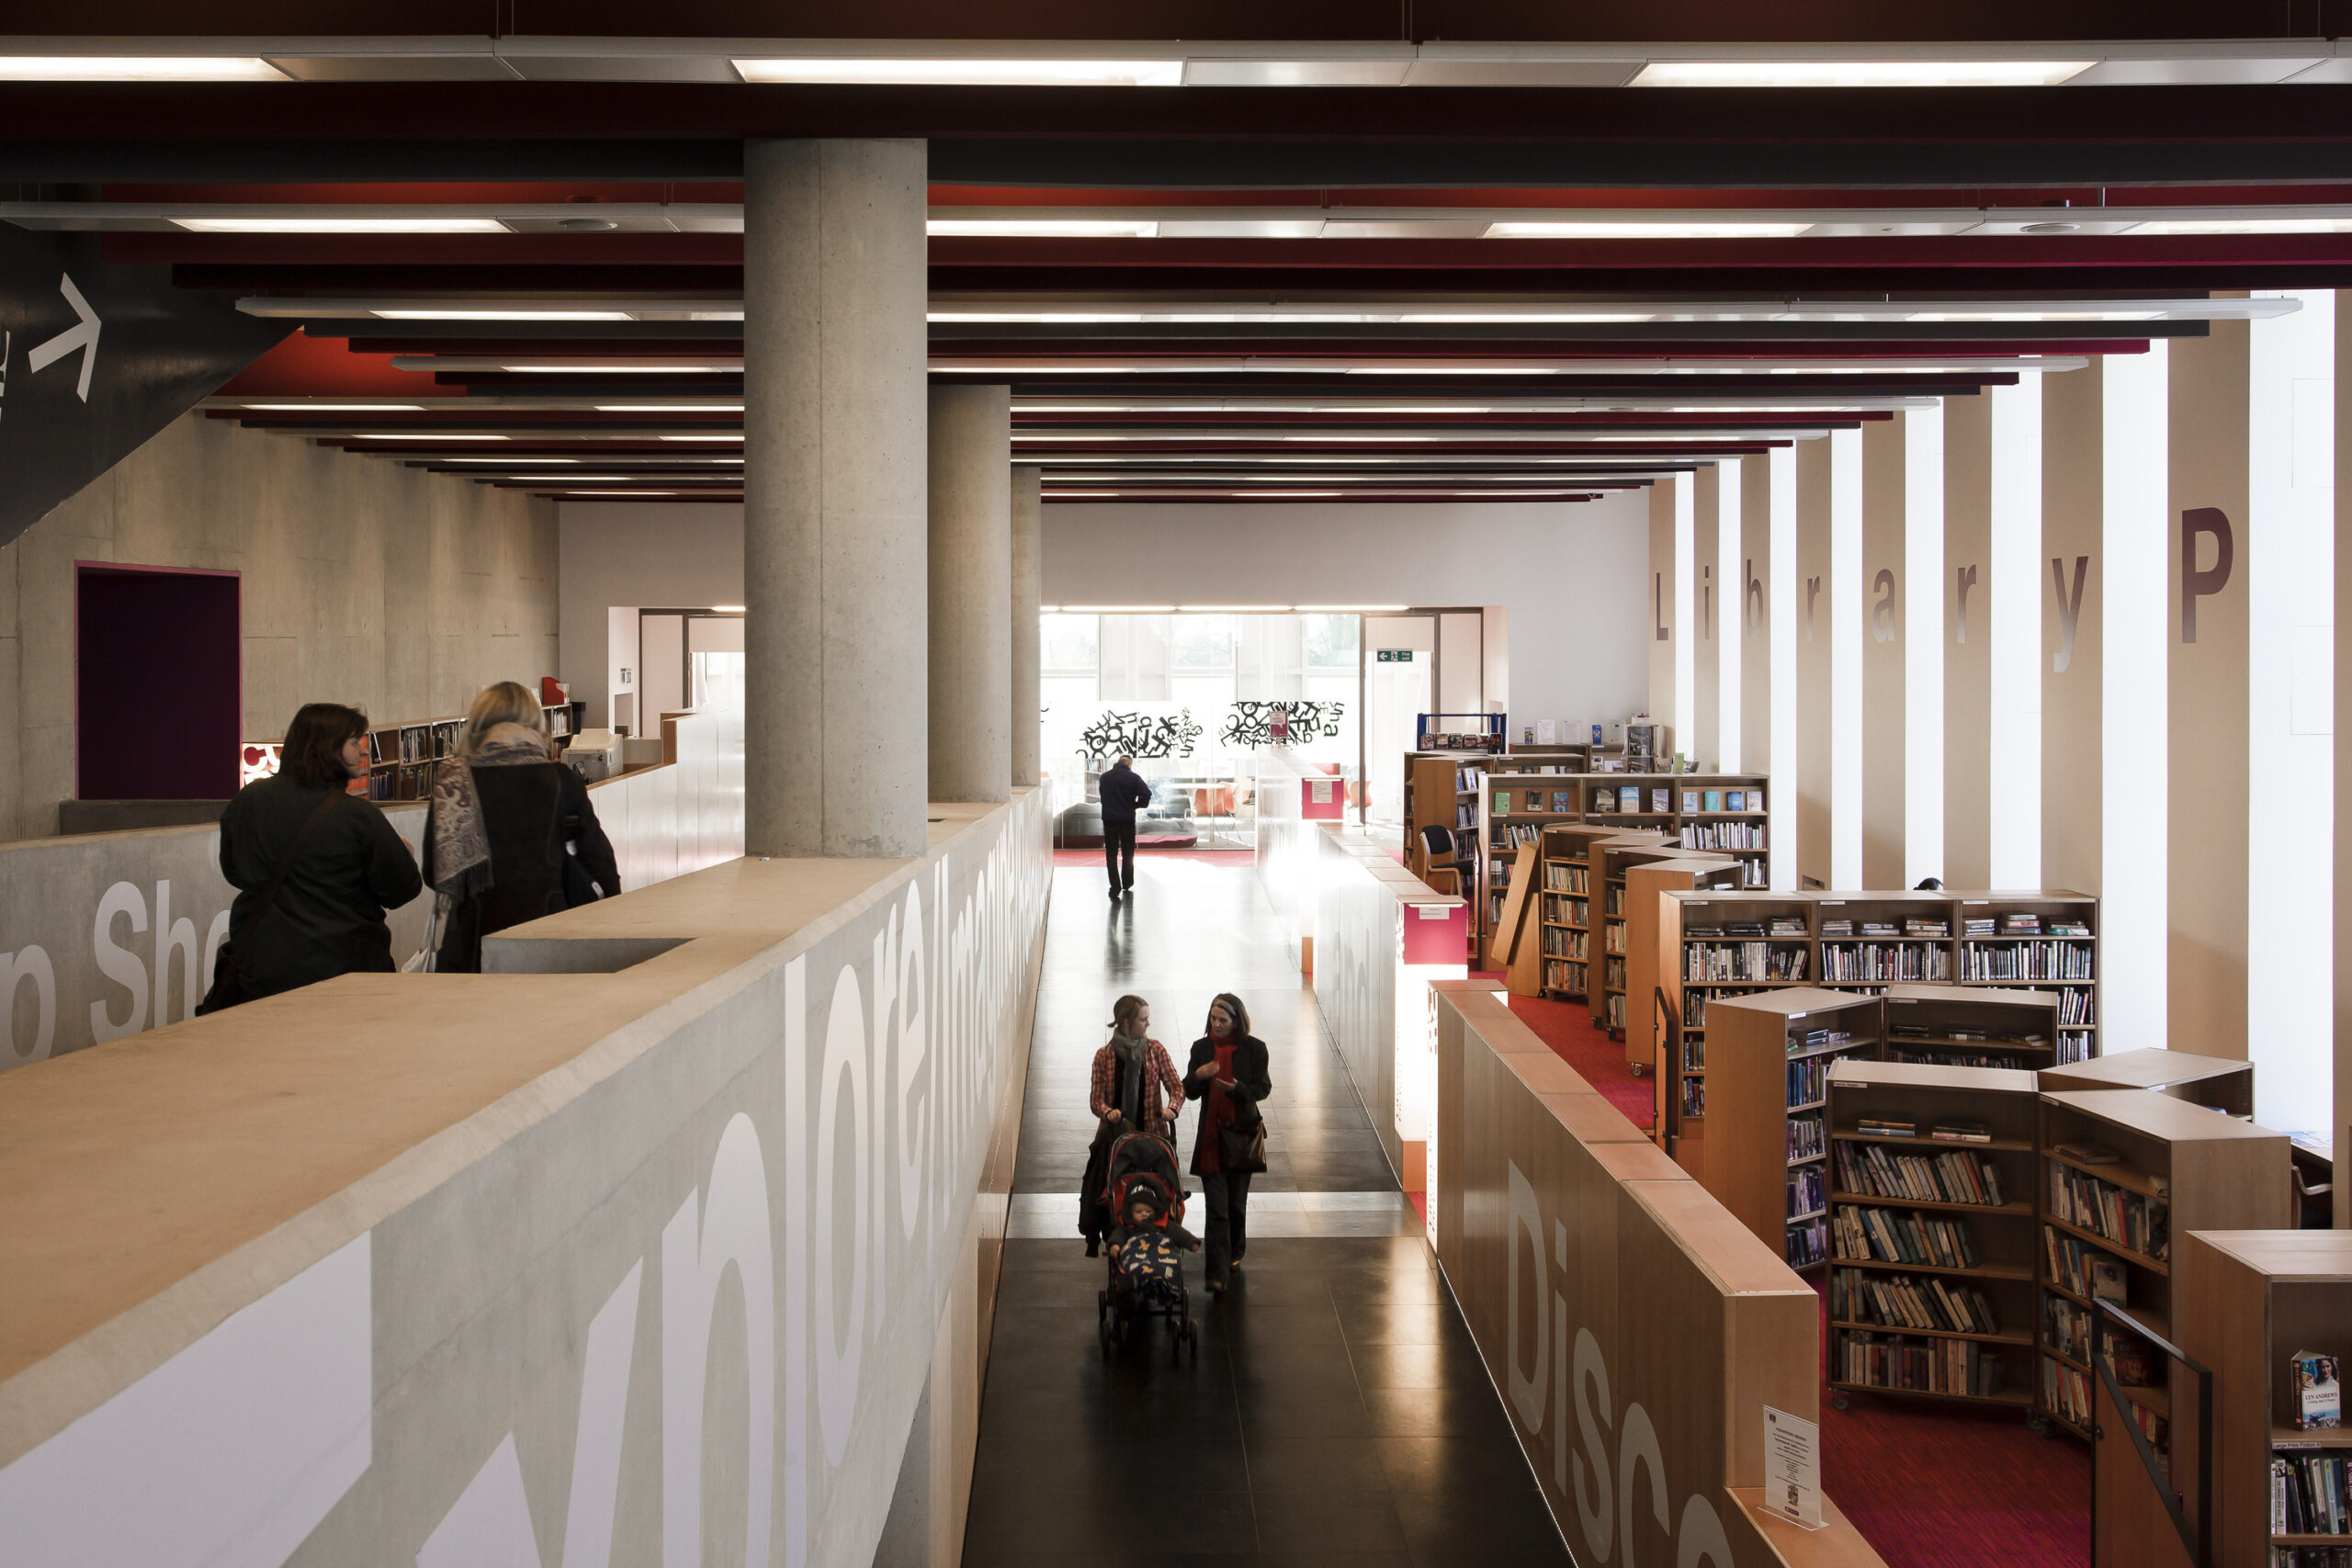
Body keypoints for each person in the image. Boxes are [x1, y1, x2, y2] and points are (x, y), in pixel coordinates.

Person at [205, 702, 424, 1008]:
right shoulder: (357, 816)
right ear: (329, 748)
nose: (364, 751)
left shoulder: (247, 803)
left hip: (264, 969)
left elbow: (235, 871)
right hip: (346, 972)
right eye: (354, 742)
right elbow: (402, 889)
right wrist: (406, 856)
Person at [424, 681, 621, 972]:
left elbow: (433, 872)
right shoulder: (560, 779)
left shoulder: (455, 782)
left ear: (479, 725)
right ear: (535, 722)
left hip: (472, 943)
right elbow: (601, 865)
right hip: (549, 938)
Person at [1080, 993, 1185, 1255]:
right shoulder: (1103, 1057)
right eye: (1143, 1019)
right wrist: (1108, 1112)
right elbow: (1096, 1101)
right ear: (1125, 1022)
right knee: (1112, 1190)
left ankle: (1161, 1232)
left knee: (1157, 1189)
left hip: (1152, 1137)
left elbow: (1177, 1087)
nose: (1147, 1024)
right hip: (1115, 1140)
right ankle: (1116, 1237)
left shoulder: (1155, 1051)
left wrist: (1172, 1109)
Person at [1186, 992, 1272, 1294]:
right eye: (1213, 1019)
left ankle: (1236, 1251)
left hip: (1241, 1137)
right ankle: (1216, 1273)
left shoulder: (1255, 1049)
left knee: (1236, 1204)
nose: (1217, 1024)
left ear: (1237, 1021)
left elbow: (1263, 1088)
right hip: (1212, 1140)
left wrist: (1239, 1089)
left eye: (1223, 1020)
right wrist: (1199, 1074)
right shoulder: (1202, 1048)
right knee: (1217, 1209)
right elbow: (1190, 1091)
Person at [1108, 1186, 1199, 1308]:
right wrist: (1115, 1245)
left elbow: (1178, 1232)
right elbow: (1117, 1236)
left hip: (1159, 1250)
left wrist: (1191, 1242)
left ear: (1155, 1211)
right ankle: (1145, 1282)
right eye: (1139, 1212)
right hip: (1136, 1251)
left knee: (1170, 1258)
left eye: (1148, 1211)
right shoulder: (1127, 1227)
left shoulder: (1162, 1224)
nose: (1144, 1214)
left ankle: (1164, 1286)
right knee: (1133, 1261)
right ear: (1130, 1212)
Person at [1097, 753, 1151, 899]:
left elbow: (1103, 796)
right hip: (1127, 820)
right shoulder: (1133, 778)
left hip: (1109, 821)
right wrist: (1136, 805)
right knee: (1128, 853)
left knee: (1111, 854)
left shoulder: (1105, 777)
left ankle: (1115, 887)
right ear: (1128, 764)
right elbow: (1146, 794)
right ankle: (1127, 882)